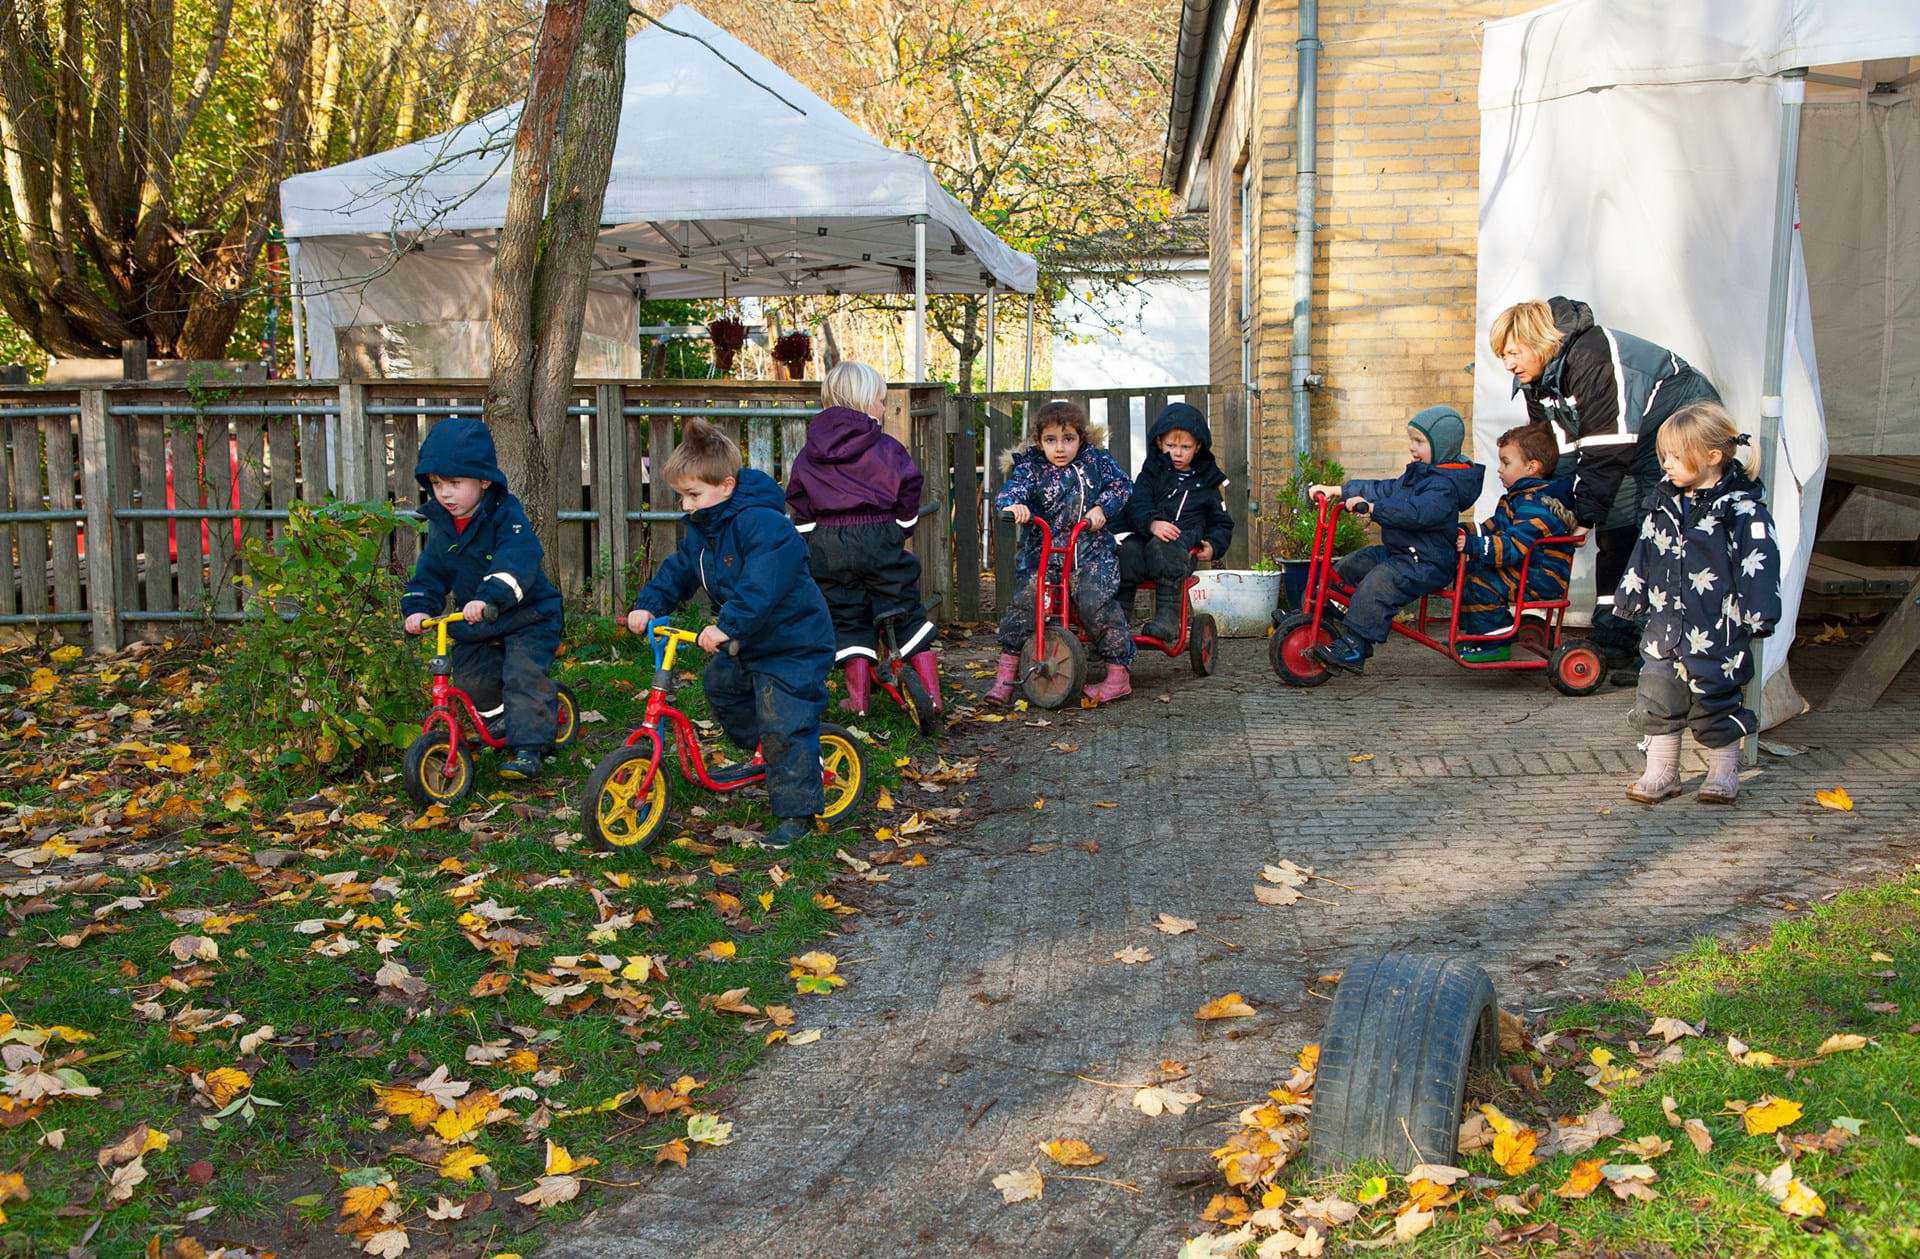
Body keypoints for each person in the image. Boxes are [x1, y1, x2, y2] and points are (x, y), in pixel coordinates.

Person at [626, 420, 835, 848]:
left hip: (793, 642)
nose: (686, 505)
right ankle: (770, 753)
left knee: (785, 721)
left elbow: (763, 584)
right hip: (748, 642)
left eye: (692, 495)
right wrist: (650, 603)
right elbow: (679, 570)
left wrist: (726, 626)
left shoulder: (764, 525)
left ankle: (797, 813)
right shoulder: (705, 527)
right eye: (681, 496)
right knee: (721, 685)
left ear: (725, 485)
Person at [1492, 297, 1722, 681]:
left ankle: (1658, 651)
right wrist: (1553, 508)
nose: (1509, 365)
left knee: (1657, 533)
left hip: (1677, 426)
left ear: (1539, 341)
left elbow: (1604, 449)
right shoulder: (1538, 378)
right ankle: (1616, 633)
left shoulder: (1593, 360)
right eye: (1503, 356)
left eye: (1514, 353)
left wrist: (1581, 516)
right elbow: (1556, 451)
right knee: (1615, 535)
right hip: (1630, 443)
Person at [1616, 401, 1780, 806]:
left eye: (1676, 456)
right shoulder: (1664, 504)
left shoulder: (1742, 509)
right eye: (1664, 456)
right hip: (1665, 625)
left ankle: (1724, 771)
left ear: (1712, 457)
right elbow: (1644, 550)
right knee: (1657, 694)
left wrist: (1759, 612)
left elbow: (1759, 561)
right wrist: (1630, 593)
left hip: (1716, 627)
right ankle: (1661, 771)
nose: (1667, 465)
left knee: (1716, 697)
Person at [401, 416, 564, 780]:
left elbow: (516, 560)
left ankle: (528, 748)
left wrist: (489, 595)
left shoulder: (507, 516)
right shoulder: (443, 527)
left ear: (484, 481)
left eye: (455, 483)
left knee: (522, 675)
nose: (445, 494)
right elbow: (431, 572)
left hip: (528, 615)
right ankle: (501, 722)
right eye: (437, 484)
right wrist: (418, 607)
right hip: (478, 619)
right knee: (471, 677)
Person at [785, 360, 941, 718]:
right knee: (902, 606)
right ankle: (932, 697)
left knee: (846, 613)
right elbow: (909, 486)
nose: (885, 408)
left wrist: (811, 538)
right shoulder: (886, 447)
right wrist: (901, 527)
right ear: (865, 402)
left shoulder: (810, 452)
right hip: (878, 533)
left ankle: (858, 704)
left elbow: (799, 499)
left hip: (828, 542)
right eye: (881, 401)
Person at [1308, 405, 1484, 675]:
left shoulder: (1444, 486)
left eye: (1420, 441)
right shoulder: (1420, 473)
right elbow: (1385, 488)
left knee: (1378, 583)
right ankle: (1324, 615)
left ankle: (1356, 645)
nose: (1412, 447)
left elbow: (1417, 514)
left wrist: (1374, 509)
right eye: (1412, 440)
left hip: (1427, 562)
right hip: (1402, 553)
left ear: (1442, 445)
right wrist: (1339, 490)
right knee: (1352, 564)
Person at [984, 399, 1136, 704]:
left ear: (1081, 437)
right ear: (1040, 441)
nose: (1060, 448)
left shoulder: (1096, 461)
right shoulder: (1032, 467)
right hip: (1044, 553)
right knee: (1029, 601)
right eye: (1051, 440)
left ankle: (1118, 676)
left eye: (1068, 439)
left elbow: (1122, 485)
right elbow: (1012, 491)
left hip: (1090, 552)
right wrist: (1015, 506)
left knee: (1097, 602)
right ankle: (1006, 675)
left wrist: (1101, 509)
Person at [1454, 422, 1579, 662]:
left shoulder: (1537, 505)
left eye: (1506, 463)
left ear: (1532, 467)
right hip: (1525, 569)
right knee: (1469, 570)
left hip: (1542, 575)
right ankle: (1478, 634)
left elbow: (1513, 546)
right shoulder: (1518, 499)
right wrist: (1462, 531)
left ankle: (1495, 643)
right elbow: (1491, 528)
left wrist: (1473, 546)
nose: (1499, 470)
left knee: (1481, 583)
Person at [1115, 401, 1235, 641]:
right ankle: (1117, 618)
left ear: (1198, 447)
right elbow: (1137, 503)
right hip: (1146, 540)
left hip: (1180, 550)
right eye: (1171, 445)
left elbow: (1221, 521)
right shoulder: (1152, 473)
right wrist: (1151, 523)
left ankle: (1167, 617)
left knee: (1165, 546)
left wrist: (1213, 545)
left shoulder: (1206, 482)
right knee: (1127, 550)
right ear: (1159, 443)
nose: (1177, 453)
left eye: (1185, 447)